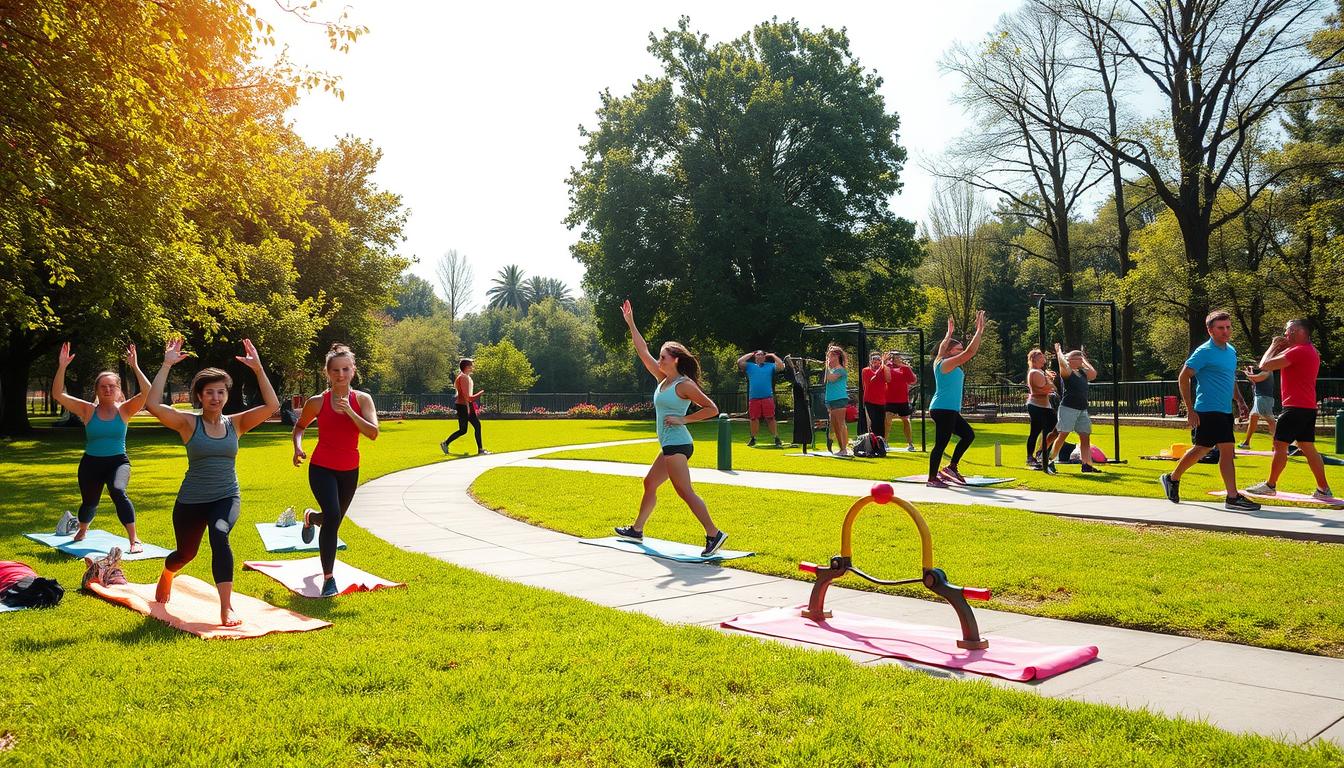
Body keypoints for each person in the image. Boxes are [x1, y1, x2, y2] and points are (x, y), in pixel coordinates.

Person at [146, 337, 280, 626]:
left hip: (226, 497)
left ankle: (226, 607)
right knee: (185, 554)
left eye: (221, 392)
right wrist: (167, 364)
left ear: (226, 396)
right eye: (209, 393)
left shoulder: (238, 423)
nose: (216, 398)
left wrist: (258, 369)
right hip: (191, 501)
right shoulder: (188, 423)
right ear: (200, 396)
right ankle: (167, 574)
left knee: (220, 534)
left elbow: (272, 405)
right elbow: (153, 404)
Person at [612, 300, 727, 557]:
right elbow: (642, 351)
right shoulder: (663, 380)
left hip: (677, 444)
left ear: (675, 360)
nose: (659, 360)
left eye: (663, 357)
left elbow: (712, 408)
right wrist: (631, 323)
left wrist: (683, 420)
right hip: (669, 445)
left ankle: (714, 533)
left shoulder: (683, 384)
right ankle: (637, 530)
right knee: (650, 482)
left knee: (684, 491)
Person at [292, 344, 380, 598]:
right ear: (328, 373)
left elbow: (373, 433)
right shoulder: (317, 402)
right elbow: (299, 427)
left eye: (345, 369)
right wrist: (298, 448)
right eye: (335, 370)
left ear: (353, 371)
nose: (340, 375)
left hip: (349, 470)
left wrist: (350, 412)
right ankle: (328, 578)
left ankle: (311, 517)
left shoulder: (363, 400)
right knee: (333, 516)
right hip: (321, 468)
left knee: (332, 519)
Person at [52, 343, 151, 553]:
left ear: (118, 390)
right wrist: (62, 367)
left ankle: (134, 540)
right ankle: (83, 529)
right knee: (89, 503)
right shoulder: (88, 410)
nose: (108, 389)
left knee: (118, 491)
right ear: (97, 390)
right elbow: (58, 394)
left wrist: (134, 365)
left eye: (112, 386)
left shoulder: (125, 410)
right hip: (91, 463)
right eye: (103, 386)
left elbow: (147, 391)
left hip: (118, 462)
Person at [1159, 311, 1260, 511]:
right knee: (1202, 449)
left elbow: (1229, 379)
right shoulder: (1204, 352)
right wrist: (1189, 409)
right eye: (1221, 328)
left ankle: (1232, 497)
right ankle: (1172, 478)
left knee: (1227, 451)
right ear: (1210, 330)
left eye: (1228, 327)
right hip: (1206, 409)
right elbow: (1183, 377)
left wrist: (1240, 401)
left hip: (1224, 411)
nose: (1226, 331)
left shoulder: (1231, 351)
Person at [1246, 320, 1334, 500]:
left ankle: (1270, 485)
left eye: (1287, 332)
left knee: (1279, 445)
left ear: (1296, 331)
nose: (1285, 335)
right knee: (1308, 447)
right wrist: (1281, 347)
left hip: (1294, 407)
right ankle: (1323, 489)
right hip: (1307, 407)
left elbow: (1264, 365)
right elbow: (1275, 363)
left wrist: (1273, 345)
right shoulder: (1309, 350)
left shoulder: (1299, 351)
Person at [927, 312, 986, 487]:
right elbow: (971, 352)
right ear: (949, 352)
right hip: (943, 409)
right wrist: (979, 330)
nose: (960, 353)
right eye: (957, 350)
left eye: (960, 350)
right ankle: (932, 479)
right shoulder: (945, 363)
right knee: (941, 444)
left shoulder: (941, 360)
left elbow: (942, 348)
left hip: (947, 409)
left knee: (968, 435)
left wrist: (948, 334)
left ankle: (951, 467)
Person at [1046, 343, 1101, 474]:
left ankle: (1087, 465)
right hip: (1068, 408)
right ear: (1070, 360)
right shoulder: (1067, 372)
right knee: (1062, 434)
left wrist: (1084, 360)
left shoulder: (1082, 372)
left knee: (1085, 437)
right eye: (1078, 358)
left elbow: (1093, 374)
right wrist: (1058, 352)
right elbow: (1063, 364)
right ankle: (1049, 461)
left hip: (1082, 409)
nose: (1081, 360)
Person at [440, 358, 488, 456]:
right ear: (466, 367)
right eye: (471, 366)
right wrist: (480, 393)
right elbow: (468, 397)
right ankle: (480, 450)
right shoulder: (464, 378)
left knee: (464, 429)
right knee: (475, 426)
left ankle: (445, 443)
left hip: (463, 405)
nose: (472, 368)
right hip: (464, 405)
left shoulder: (463, 377)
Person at [737, 350, 783, 447]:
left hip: (767, 397)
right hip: (754, 398)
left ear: (765, 357)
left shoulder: (770, 366)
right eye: (758, 355)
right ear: (755, 357)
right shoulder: (750, 366)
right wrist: (750, 353)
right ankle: (753, 438)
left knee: (770, 418)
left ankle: (776, 438)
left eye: (762, 355)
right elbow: (739, 362)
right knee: (753, 419)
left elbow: (781, 366)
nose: (760, 356)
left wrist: (773, 355)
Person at [1024, 348, 1057, 471]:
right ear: (1035, 359)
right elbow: (1043, 390)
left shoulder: (1041, 372)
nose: (1044, 358)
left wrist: (1050, 384)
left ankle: (1041, 452)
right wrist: (1050, 386)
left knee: (1054, 429)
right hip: (1037, 406)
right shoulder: (1035, 372)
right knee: (1036, 431)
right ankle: (1031, 456)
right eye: (1042, 356)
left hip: (1045, 406)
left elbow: (1050, 388)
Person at [884, 352, 918, 452]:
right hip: (890, 399)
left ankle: (910, 444)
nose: (898, 359)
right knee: (887, 420)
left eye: (899, 357)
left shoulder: (905, 368)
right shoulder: (887, 367)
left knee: (906, 420)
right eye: (895, 357)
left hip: (902, 399)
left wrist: (905, 367)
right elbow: (886, 377)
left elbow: (912, 380)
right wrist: (885, 362)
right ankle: (885, 442)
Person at [1238, 365, 1277, 449]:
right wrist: (1250, 372)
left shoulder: (1267, 372)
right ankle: (1246, 443)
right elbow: (1254, 380)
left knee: (1271, 421)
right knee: (1253, 418)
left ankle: (1279, 444)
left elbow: (1255, 378)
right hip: (1260, 398)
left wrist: (1247, 373)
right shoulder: (1265, 373)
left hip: (1263, 399)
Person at [823, 345, 851, 456]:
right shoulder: (832, 369)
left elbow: (831, 378)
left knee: (840, 425)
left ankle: (843, 449)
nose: (829, 357)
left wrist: (826, 365)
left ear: (837, 356)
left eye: (831, 355)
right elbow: (826, 379)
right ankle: (842, 448)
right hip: (831, 400)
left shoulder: (841, 370)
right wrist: (828, 366)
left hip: (839, 399)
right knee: (836, 425)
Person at [860, 352, 891, 441]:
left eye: (879, 361)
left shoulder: (884, 369)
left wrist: (884, 366)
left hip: (881, 400)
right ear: (870, 362)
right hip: (869, 400)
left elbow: (888, 379)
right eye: (874, 361)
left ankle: (881, 441)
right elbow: (872, 379)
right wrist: (882, 365)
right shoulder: (865, 370)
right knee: (873, 421)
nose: (876, 363)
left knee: (881, 422)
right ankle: (873, 441)